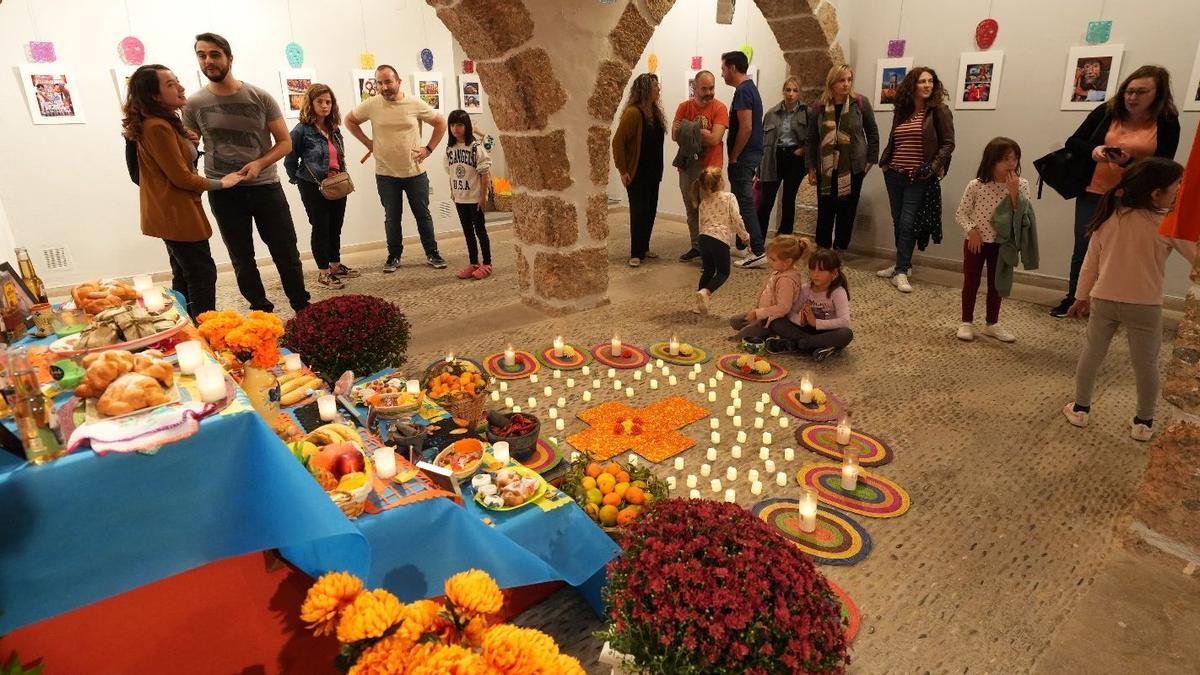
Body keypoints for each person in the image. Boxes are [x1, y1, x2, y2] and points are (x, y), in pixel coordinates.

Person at [1062, 158, 1194, 442]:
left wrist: (1080, 298)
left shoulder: (1109, 217)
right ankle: (1143, 423)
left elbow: (1090, 264)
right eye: (1177, 186)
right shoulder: (1166, 224)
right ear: (1156, 193)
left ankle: (1080, 408)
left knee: (1092, 354)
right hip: (1145, 306)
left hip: (1104, 299)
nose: (1179, 191)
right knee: (1146, 364)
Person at [183, 33, 310, 313]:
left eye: (215, 54)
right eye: (202, 55)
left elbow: (285, 142)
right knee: (242, 258)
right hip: (224, 192)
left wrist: (259, 164)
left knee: (286, 252)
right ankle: (260, 308)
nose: (208, 61)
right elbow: (190, 150)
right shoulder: (193, 105)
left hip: (266, 187)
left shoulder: (260, 97)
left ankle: (302, 306)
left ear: (229, 57)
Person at [1049, 65, 1181, 318]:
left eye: (1141, 92)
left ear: (1158, 93)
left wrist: (1128, 163)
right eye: (1129, 91)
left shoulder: (1166, 121)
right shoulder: (1108, 110)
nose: (1132, 97)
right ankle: (1076, 299)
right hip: (1095, 191)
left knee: (1125, 251)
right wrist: (1095, 151)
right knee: (1085, 247)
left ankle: (1112, 304)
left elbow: (1163, 165)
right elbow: (1074, 141)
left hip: (1136, 197)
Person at [122, 64, 242, 317]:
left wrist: (188, 143)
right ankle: (206, 330)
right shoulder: (157, 126)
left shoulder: (162, 123)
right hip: (176, 212)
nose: (181, 87)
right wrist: (222, 183)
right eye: (170, 84)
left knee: (186, 272)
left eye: (177, 81)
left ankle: (187, 327)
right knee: (201, 273)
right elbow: (181, 178)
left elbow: (177, 164)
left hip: (174, 211)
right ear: (154, 96)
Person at [345, 65, 448, 272]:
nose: (384, 87)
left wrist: (428, 149)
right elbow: (349, 120)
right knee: (392, 218)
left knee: (423, 215)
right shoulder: (372, 105)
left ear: (398, 81)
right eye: (380, 83)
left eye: (388, 82)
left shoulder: (414, 103)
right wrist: (368, 143)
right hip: (386, 174)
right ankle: (393, 256)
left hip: (415, 173)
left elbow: (440, 122)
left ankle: (432, 253)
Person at [877, 66, 955, 293]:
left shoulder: (939, 111)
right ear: (912, 85)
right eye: (922, 81)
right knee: (898, 219)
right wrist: (885, 163)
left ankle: (901, 271)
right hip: (894, 174)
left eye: (931, 81)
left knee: (908, 223)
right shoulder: (902, 111)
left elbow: (948, 144)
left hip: (917, 176)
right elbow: (895, 140)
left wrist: (932, 168)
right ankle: (904, 265)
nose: (927, 85)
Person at [955, 137, 1032, 343]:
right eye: (1005, 159)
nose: (1011, 164)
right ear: (992, 160)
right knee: (971, 281)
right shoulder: (976, 185)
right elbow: (961, 213)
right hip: (976, 241)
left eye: (1015, 159)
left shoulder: (1022, 185)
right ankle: (966, 322)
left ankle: (992, 323)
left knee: (997, 284)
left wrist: (1014, 193)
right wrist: (972, 231)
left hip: (1004, 243)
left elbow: (1023, 218)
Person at [284, 83, 358, 290]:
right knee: (321, 228)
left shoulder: (334, 128)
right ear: (311, 103)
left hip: (337, 184)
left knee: (335, 226)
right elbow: (290, 159)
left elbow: (339, 156)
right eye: (320, 102)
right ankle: (323, 272)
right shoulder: (301, 131)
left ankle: (335, 265)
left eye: (328, 102)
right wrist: (298, 180)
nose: (325, 106)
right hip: (313, 187)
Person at [807, 63, 879, 251]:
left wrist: (870, 161)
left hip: (852, 165)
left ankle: (840, 248)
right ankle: (823, 248)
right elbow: (812, 138)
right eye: (841, 80)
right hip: (827, 167)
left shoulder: (860, 103)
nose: (846, 84)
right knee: (825, 209)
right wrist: (811, 168)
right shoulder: (820, 106)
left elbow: (872, 133)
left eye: (849, 79)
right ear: (832, 82)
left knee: (847, 210)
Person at [671, 70, 728, 262]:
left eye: (711, 88)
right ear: (694, 88)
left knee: (710, 211)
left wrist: (690, 131)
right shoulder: (683, 107)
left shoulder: (720, 108)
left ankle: (711, 253)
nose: (709, 92)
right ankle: (697, 246)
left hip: (710, 168)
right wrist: (700, 131)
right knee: (691, 209)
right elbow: (674, 135)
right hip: (687, 167)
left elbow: (715, 139)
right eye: (704, 88)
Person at [612, 73, 666, 267]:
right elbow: (618, 142)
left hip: (653, 171)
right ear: (645, 89)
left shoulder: (654, 112)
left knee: (650, 209)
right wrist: (623, 169)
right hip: (637, 172)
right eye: (655, 86)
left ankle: (644, 247)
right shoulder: (633, 113)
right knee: (639, 211)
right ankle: (636, 253)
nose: (658, 89)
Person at [720, 50, 767, 269]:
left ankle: (757, 250)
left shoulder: (743, 91)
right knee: (740, 202)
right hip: (751, 154)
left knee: (745, 203)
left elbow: (746, 127)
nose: (722, 74)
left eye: (723, 69)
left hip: (745, 156)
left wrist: (734, 155)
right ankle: (743, 244)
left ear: (732, 68)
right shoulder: (749, 89)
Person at [764, 248, 854, 361]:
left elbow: (844, 321)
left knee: (846, 334)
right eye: (812, 270)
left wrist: (816, 323)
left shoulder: (838, 292)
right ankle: (814, 346)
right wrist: (800, 321)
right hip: (806, 330)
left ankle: (796, 345)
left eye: (821, 271)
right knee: (776, 321)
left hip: (828, 331)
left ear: (834, 273)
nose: (815, 274)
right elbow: (791, 312)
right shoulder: (806, 289)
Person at [728, 235, 811, 338]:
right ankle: (759, 327)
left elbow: (783, 308)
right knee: (734, 321)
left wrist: (758, 313)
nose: (769, 261)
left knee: (743, 336)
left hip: (772, 319)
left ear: (787, 262)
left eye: (773, 259)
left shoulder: (787, 280)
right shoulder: (778, 271)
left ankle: (770, 332)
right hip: (764, 314)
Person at [692, 167, 750, 315]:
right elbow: (736, 218)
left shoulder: (704, 202)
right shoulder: (729, 197)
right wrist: (744, 235)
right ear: (721, 181)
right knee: (723, 272)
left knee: (708, 270)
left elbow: (701, 223)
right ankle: (706, 292)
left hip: (704, 238)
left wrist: (701, 239)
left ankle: (698, 305)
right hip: (719, 238)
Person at [757, 77, 808, 241]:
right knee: (766, 200)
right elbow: (761, 140)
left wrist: (804, 150)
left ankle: (784, 238)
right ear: (783, 91)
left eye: (795, 90)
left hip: (795, 158)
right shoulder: (771, 113)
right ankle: (758, 240)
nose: (791, 94)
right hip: (774, 157)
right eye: (788, 90)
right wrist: (758, 166)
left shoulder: (807, 113)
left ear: (799, 93)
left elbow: (815, 138)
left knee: (788, 199)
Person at [444, 109, 493, 280]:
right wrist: (453, 193)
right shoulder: (450, 149)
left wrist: (483, 196)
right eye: (452, 125)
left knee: (480, 231)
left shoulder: (475, 148)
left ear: (466, 126)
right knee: (467, 232)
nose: (455, 128)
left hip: (475, 198)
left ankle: (487, 263)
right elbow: (450, 172)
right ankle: (474, 262)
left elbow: (484, 173)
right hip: (460, 198)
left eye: (459, 124)